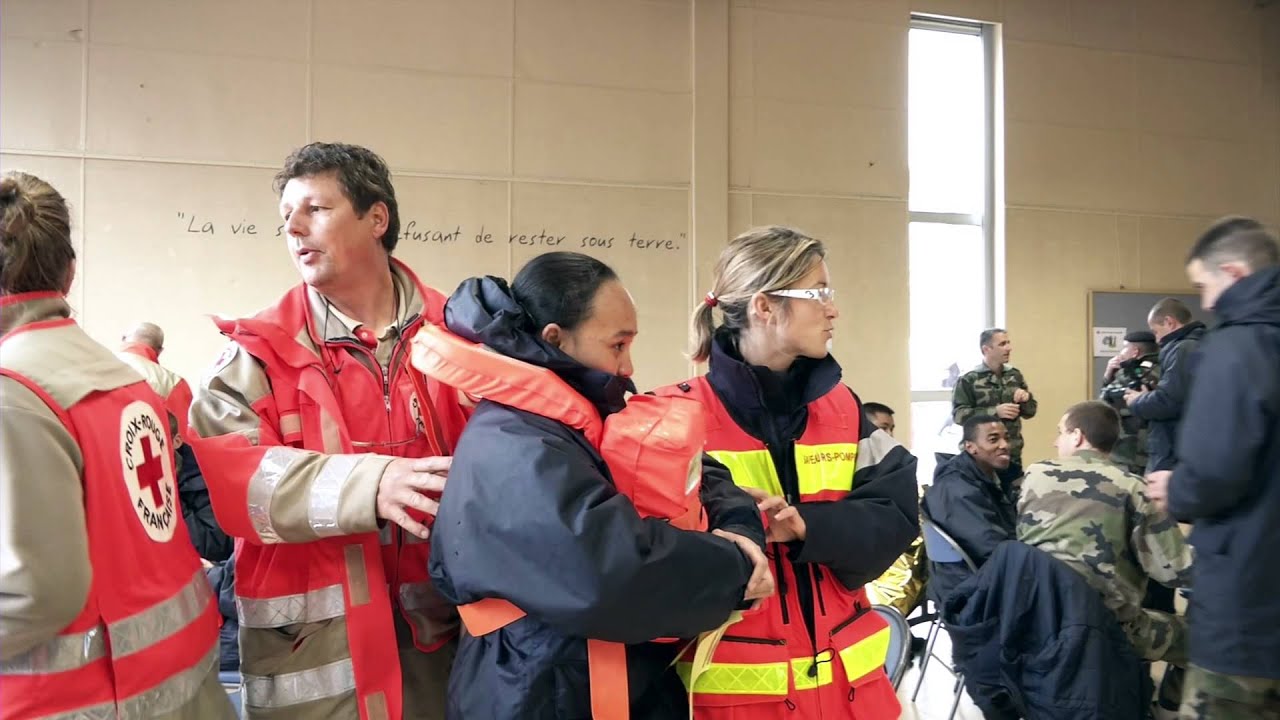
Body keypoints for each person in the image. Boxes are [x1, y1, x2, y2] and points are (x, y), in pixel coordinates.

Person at [188, 143, 470, 719]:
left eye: (315, 208)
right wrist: (370, 485)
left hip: (443, 654)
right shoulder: (255, 356)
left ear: (376, 218)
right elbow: (235, 483)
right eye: (285, 216)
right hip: (315, 670)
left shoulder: (463, 338)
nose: (293, 228)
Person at [427, 252, 771, 719]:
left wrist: (742, 532)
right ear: (556, 339)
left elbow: (703, 475)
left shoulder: (583, 412)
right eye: (617, 345)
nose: (629, 365)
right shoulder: (513, 441)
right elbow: (610, 573)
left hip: (605, 681)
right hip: (533, 692)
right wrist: (736, 569)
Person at [658, 226, 919, 718]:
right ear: (764, 306)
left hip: (851, 695)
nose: (832, 308)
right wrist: (740, 533)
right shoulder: (673, 418)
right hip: (737, 703)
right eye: (817, 292)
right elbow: (654, 563)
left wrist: (805, 526)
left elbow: (897, 514)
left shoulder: (841, 407)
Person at [0, 171, 234, 718]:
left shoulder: (15, 392)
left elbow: (39, 595)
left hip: (78, 699)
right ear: (70, 270)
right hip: (179, 682)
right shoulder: (128, 379)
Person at [1146, 218, 1280, 719]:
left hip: (1245, 606)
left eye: (1205, 285)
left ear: (1234, 271)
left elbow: (1214, 475)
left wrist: (1177, 489)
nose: (1205, 303)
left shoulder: (1234, 349)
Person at [1018, 401, 1192, 715]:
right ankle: (1163, 711)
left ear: (1079, 436)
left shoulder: (1035, 474)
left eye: (1061, 433)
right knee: (1199, 641)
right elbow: (1177, 571)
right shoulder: (1133, 488)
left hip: (1036, 619)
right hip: (1106, 626)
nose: (1055, 442)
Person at [118, 321, 231, 560]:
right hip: (162, 491)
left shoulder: (97, 372)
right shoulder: (171, 382)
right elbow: (184, 440)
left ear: (123, 339)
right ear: (159, 350)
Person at [921, 415, 1016, 603]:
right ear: (970, 447)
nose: (1005, 445)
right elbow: (990, 548)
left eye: (1006, 437)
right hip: (968, 588)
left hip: (981, 576)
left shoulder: (989, 478)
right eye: (994, 439)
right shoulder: (956, 488)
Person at [1125, 298, 1207, 473]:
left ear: (1169, 322)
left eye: (1155, 331)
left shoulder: (1183, 349)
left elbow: (1169, 401)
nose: (1156, 339)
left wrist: (1137, 401)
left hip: (1173, 446)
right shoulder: (1199, 343)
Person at [952, 328, 1036, 480]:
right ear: (986, 349)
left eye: (1008, 343)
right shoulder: (969, 379)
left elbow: (1030, 412)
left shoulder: (1014, 375)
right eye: (1002, 344)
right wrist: (995, 412)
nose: (1009, 348)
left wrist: (1026, 399)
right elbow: (959, 415)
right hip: (981, 458)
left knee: (1012, 499)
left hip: (1011, 454)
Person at [1099, 331, 1161, 475]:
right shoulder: (1165, 367)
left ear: (1135, 352)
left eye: (1124, 348)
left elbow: (1103, 403)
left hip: (1131, 449)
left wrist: (1109, 374)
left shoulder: (1131, 372)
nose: (1121, 353)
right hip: (1156, 447)